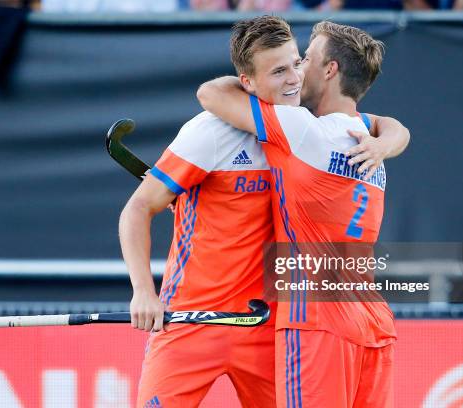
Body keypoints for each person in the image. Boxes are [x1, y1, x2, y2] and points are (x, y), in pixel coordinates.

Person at [120, 17, 408, 408]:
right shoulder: (212, 130)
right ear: (248, 82)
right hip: (192, 319)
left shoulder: (304, 129)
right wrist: (143, 292)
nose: (294, 77)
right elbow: (138, 207)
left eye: (298, 62)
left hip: (266, 324)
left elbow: (210, 90)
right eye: (280, 70)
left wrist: (390, 138)